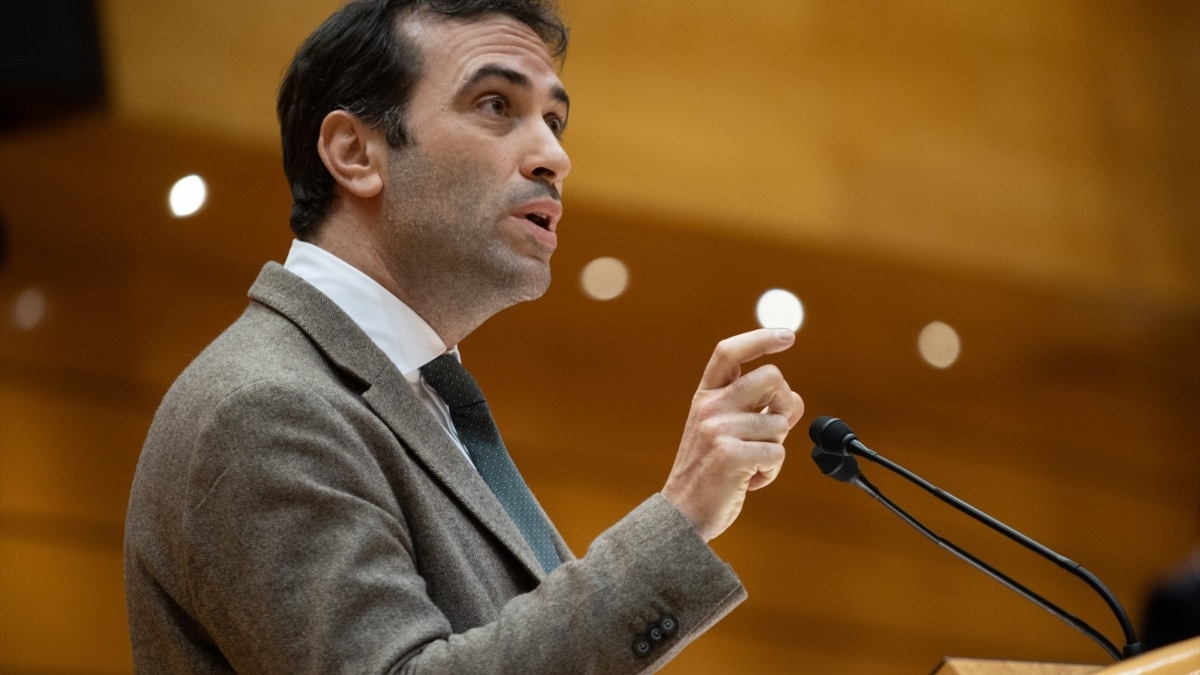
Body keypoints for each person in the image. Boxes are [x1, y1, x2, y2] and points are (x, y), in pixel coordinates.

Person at [123, 0, 804, 672]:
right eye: (495, 105)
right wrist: (679, 516)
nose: (553, 157)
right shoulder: (267, 404)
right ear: (356, 152)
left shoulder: (423, 396)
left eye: (555, 120)